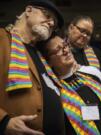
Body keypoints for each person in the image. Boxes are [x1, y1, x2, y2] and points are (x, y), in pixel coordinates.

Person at [0, 0, 66, 135]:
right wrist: (3, 122)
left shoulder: (40, 54)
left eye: (54, 23)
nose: (52, 23)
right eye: (47, 16)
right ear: (29, 11)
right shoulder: (2, 38)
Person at [66, 15, 101, 86]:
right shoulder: (59, 50)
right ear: (71, 28)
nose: (85, 35)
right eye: (82, 31)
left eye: (88, 34)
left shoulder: (97, 53)